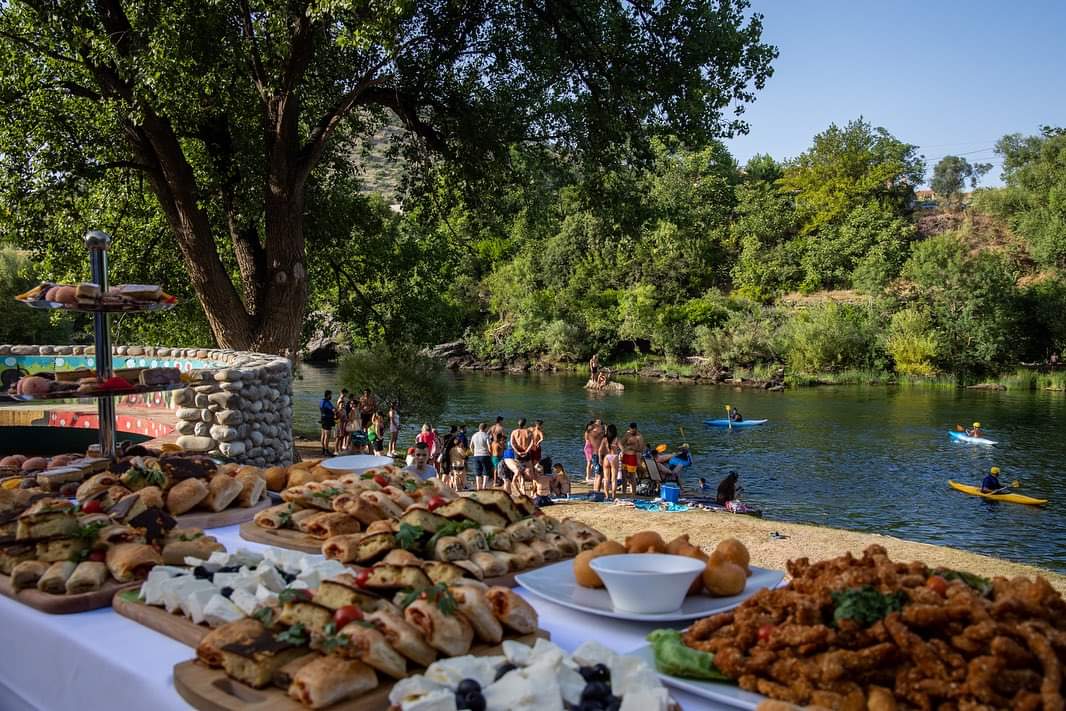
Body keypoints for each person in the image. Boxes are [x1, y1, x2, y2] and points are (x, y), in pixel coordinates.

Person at [469, 422, 493, 491]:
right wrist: (490, 453)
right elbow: (489, 446)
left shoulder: (474, 435)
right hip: (485, 455)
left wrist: (473, 452)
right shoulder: (486, 435)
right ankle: (484, 487)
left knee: (478, 472)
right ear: (485, 428)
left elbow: (471, 446)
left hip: (476, 455)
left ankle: (478, 487)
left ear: (479, 428)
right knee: (486, 471)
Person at [319, 390, 335, 455]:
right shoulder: (327, 402)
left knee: (323, 434)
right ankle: (326, 450)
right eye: (331, 395)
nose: (331, 396)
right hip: (328, 420)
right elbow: (333, 410)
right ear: (328, 395)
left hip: (323, 419)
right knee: (327, 435)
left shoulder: (321, 401)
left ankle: (323, 449)